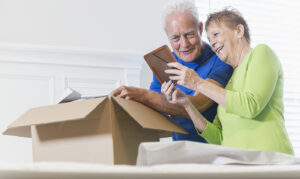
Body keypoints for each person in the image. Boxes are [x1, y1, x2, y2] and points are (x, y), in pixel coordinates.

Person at [163, 8, 294, 154]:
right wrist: (187, 105)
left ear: (239, 31)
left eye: (216, 34)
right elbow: (218, 138)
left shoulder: (261, 53)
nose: (212, 43)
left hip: (271, 162)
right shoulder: (230, 80)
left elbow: (250, 105)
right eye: (209, 39)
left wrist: (198, 83)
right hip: (239, 166)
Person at [110, 1, 233, 142]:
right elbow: (154, 111)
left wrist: (142, 94)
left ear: (200, 28)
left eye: (189, 34)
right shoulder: (166, 63)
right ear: (167, 36)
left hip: (215, 148)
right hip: (180, 149)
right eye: (175, 38)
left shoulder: (220, 58)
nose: (184, 44)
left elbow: (200, 104)